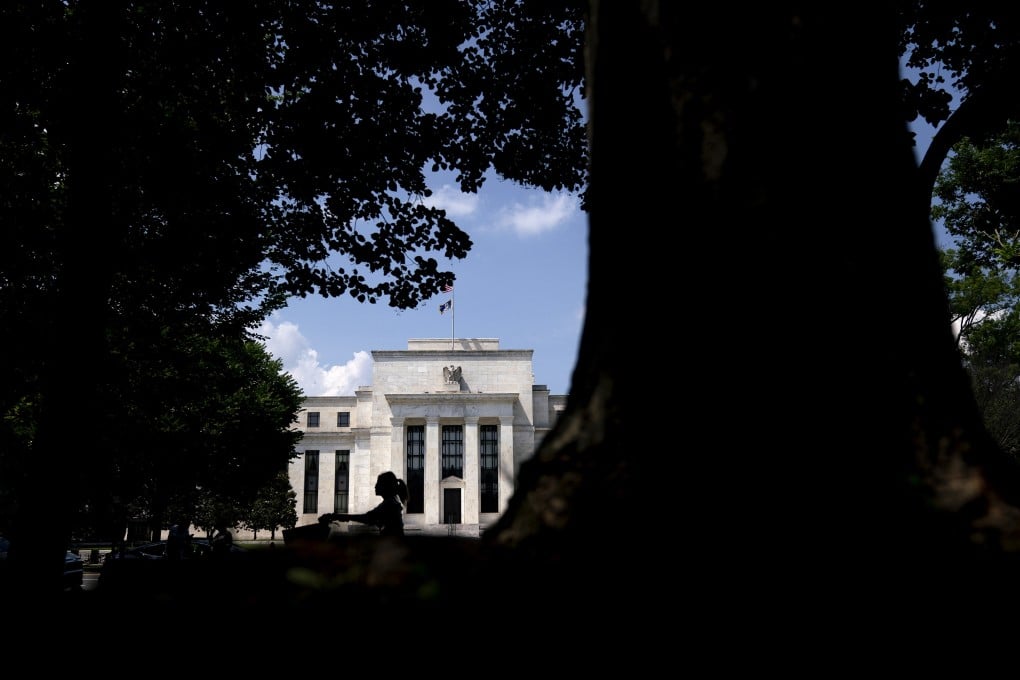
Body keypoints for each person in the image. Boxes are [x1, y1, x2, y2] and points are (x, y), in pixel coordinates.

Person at [319, 471, 409, 536]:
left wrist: (337, 516)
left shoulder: (389, 504)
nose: (375, 486)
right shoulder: (391, 502)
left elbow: (367, 518)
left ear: (385, 486)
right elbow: (369, 518)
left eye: (378, 483)